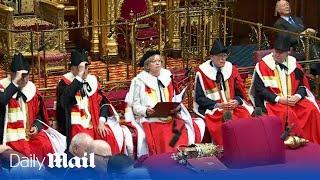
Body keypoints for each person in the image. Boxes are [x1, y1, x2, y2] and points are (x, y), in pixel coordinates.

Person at [124, 50, 205, 156]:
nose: (158, 63)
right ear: (147, 66)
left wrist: (177, 107)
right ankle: (165, 160)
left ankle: (181, 158)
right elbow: (135, 106)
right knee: (164, 132)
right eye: (154, 61)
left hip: (170, 115)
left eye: (159, 61)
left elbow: (175, 98)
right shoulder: (139, 81)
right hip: (151, 118)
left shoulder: (167, 77)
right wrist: (147, 111)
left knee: (179, 128)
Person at [250, 35, 320, 144]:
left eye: (280, 52)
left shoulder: (294, 64)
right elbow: (260, 90)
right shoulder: (263, 65)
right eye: (275, 51)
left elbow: (302, 86)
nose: (277, 54)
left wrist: (297, 97)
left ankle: (311, 143)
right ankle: (290, 143)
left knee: (311, 109)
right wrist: (279, 99)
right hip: (274, 101)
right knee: (287, 113)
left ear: (288, 52)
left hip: (293, 100)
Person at [56, 50, 122, 154]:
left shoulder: (92, 80)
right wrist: (79, 78)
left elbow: (103, 103)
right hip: (75, 124)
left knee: (108, 136)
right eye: (82, 68)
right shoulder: (64, 83)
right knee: (84, 143)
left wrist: (101, 122)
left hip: (94, 122)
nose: (85, 71)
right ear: (73, 68)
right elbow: (65, 101)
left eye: (87, 67)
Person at [194, 40, 253, 145]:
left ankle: (245, 147)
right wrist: (218, 105)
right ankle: (226, 149)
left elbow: (241, 93)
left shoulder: (231, 69)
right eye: (220, 56)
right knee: (221, 122)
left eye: (225, 56)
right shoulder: (202, 72)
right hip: (214, 108)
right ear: (212, 57)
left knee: (244, 116)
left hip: (232, 106)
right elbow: (199, 98)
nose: (223, 59)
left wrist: (237, 101)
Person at [0, 53, 54, 160]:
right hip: (8, 137)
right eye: (21, 77)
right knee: (22, 152)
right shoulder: (2, 89)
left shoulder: (32, 91)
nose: (24, 80)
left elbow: (39, 115)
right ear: (11, 74)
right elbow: (2, 101)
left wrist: (36, 127)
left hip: (28, 135)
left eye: (26, 76)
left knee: (45, 144)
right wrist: (15, 83)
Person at [274, 0, 319, 74]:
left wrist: (312, 33)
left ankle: (314, 74)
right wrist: (303, 34)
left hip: (307, 45)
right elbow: (286, 40)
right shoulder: (279, 24)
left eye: (287, 4)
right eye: (284, 5)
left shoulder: (297, 19)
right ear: (278, 10)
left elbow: (305, 32)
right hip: (295, 49)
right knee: (313, 50)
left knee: (314, 48)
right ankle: (314, 74)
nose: (287, 6)